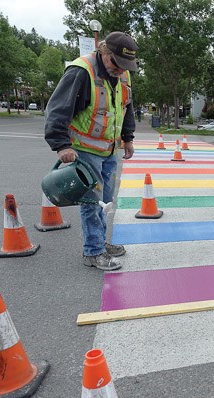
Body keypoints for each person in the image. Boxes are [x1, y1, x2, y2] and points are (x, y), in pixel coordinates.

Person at [44, 32, 138, 271]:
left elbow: (126, 108)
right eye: (117, 64)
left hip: (110, 149)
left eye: (125, 66)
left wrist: (127, 138)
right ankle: (93, 251)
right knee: (92, 201)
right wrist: (61, 144)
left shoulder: (123, 75)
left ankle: (100, 243)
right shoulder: (81, 71)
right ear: (104, 52)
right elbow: (58, 109)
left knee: (105, 201)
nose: (120, 70)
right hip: (85, 150)